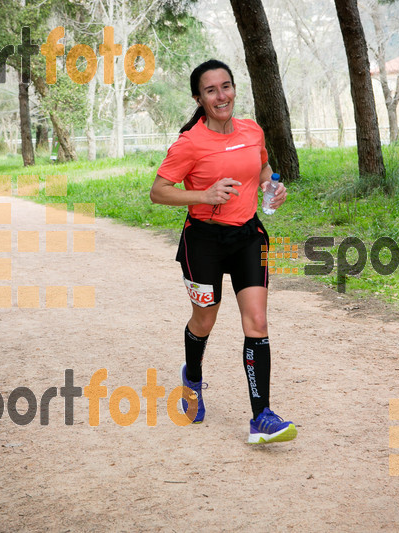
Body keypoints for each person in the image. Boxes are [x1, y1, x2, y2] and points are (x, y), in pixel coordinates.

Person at [149, 59, 295, 444]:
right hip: (204, 242)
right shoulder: (190, 143)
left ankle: (261, 416)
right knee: (204, 321)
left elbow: (263, 170)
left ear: (234, 89)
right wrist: (204, 194)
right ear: (199, 97)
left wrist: (271, 189)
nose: (221, 95)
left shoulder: (252, 131)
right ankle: (192, 378)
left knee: (257, 323)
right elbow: (159, 191)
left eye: (226, 86)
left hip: (248, 236)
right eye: (210, 90)